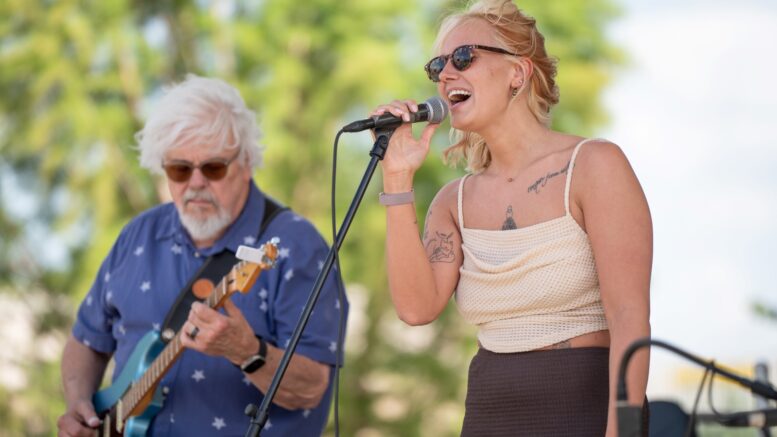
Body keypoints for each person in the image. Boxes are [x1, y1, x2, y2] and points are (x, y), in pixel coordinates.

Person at [371, 1, 651, 436]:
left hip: (584, 406)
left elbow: (630, 316)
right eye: (437, 65)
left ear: (517, 74)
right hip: (491, 409)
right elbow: (415, 308)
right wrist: (397, 177)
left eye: (464, 57)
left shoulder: (594, 165)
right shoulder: (452, 202)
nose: (446, 74)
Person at [57, 75, 347, 437]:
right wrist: (80, 406)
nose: (195, 183)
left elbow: (312, 387)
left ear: (246, 163)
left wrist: (247, 351)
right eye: (179, 169)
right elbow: (86, 340)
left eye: (213, 168)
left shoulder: (296, 245)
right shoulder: (138, 235)